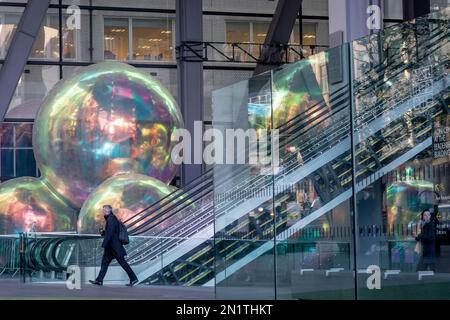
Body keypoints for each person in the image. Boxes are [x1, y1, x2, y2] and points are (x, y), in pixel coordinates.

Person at [89, 205, 138, 287]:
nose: (103, 211)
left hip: (114, 246)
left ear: (109, 210)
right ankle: (99, 280)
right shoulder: (110, 218)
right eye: (103, 210)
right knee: (105, 263)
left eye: (105, 210)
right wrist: (103, 233)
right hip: (112, 246)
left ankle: (133, 278)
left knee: (122, 263)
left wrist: (104, 243)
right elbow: (111, 232)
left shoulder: (111, 218)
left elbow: (110, 233)